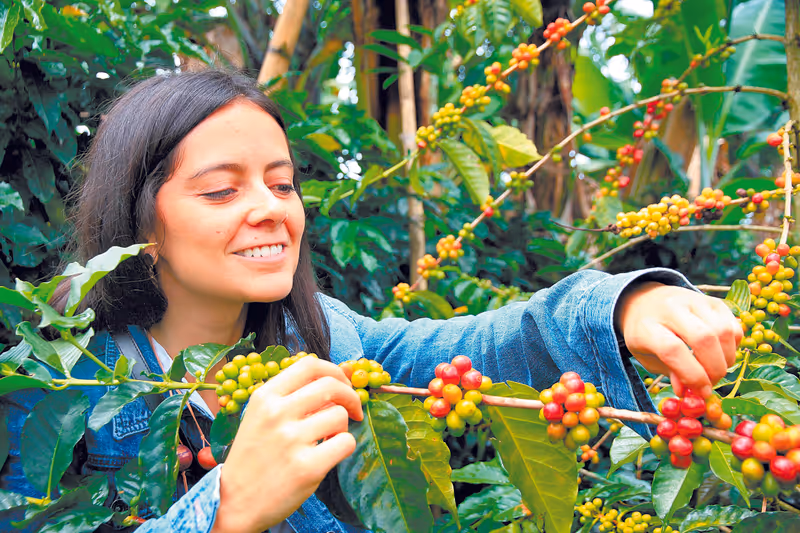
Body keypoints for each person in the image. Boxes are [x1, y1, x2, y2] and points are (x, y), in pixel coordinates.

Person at [0, 69, 740, 533]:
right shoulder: (57, 386)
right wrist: (222, 511)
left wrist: (617, 307)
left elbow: (484, 347)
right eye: (222, 190)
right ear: (141, 226)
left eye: (282, 183)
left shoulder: (328, 340)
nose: (271, 209)